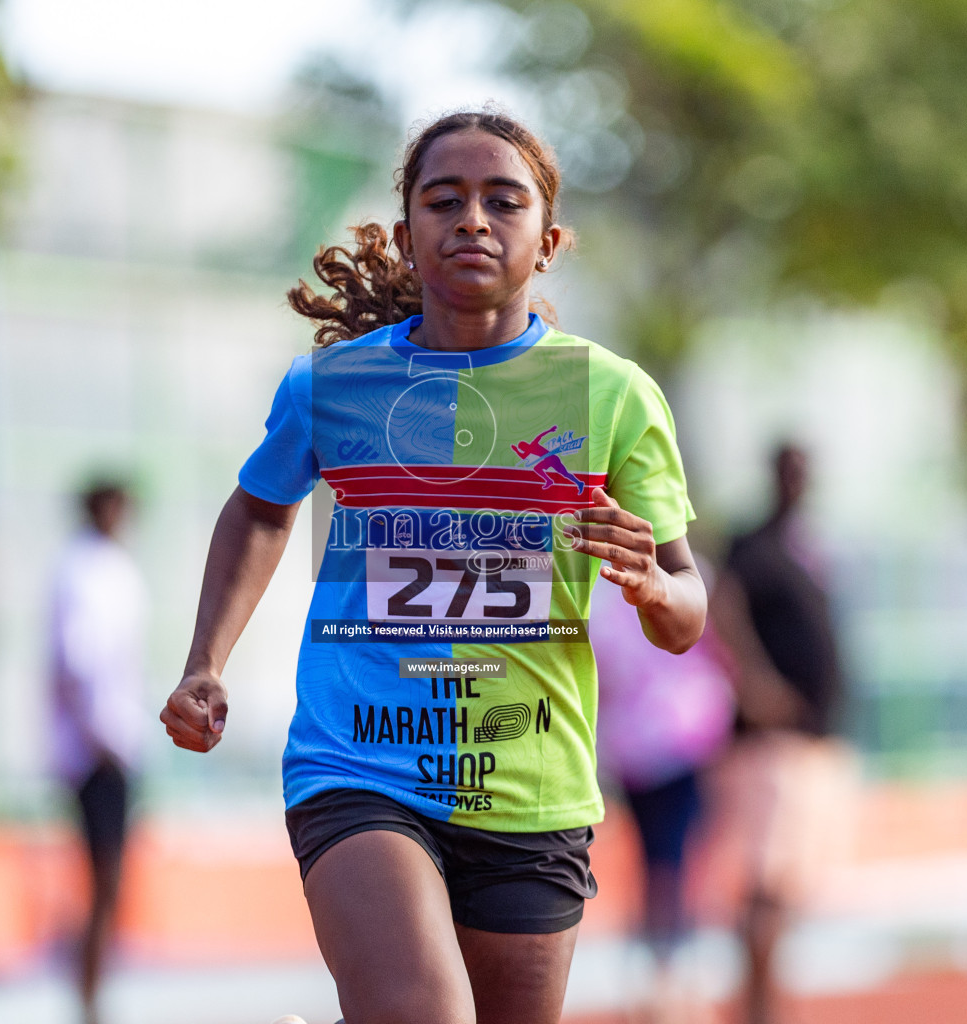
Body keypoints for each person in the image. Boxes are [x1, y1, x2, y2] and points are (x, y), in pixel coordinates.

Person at [160, 109, 706, 1024]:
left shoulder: (611, 395)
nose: (473, 221)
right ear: (408, 230)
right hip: (359, 763)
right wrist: (205, 662)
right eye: (443, 200)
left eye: (504, 200)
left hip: (532, 782)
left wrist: (654, 585)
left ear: (550, 239)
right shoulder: (330, 386)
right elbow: (260, 507)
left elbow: (687, 615)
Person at [709, 443, 851, 1024]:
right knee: (764, 886)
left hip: (806, 741)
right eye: (790, 470)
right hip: (771, 743)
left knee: (785, 888)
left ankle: (763, 1007)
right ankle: (756, 1012)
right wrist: (755, 684)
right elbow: (720, 608)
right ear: (774, 475)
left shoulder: (803, 546)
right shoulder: (754, 545)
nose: (798, 482)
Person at [589, 558, 735, 1020]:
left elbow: (602, 674)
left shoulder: (603, 593)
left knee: (659, 864)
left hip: (636, 748)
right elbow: (722, 648)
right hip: (682, 740)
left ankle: (656, 982)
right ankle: (670, 987)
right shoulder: (690, 581)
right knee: (676, 866)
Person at [48, 480, 147, 1024]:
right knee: (102, 875)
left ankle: (92, 989)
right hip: (96, 752)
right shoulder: (82, 572)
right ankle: (86, 996)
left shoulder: (113, 569)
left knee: (110, 879)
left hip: (113, 745)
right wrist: (104, 738)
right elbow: (79, 664)